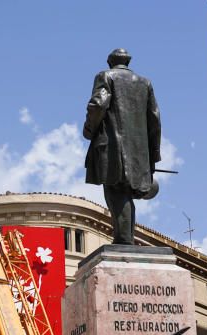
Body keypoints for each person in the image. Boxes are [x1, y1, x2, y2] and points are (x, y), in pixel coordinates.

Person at [83, 48, 162, 245]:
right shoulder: (145, 83)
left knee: (115, 192)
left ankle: (124, 240)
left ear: (110, 62)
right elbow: (155, 119)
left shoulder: (105, 76)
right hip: (139, 152)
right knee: (124, 194)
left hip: (111, 147)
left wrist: (89, 129)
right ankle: (125, 238)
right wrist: (153, 153)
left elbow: (98, 105)